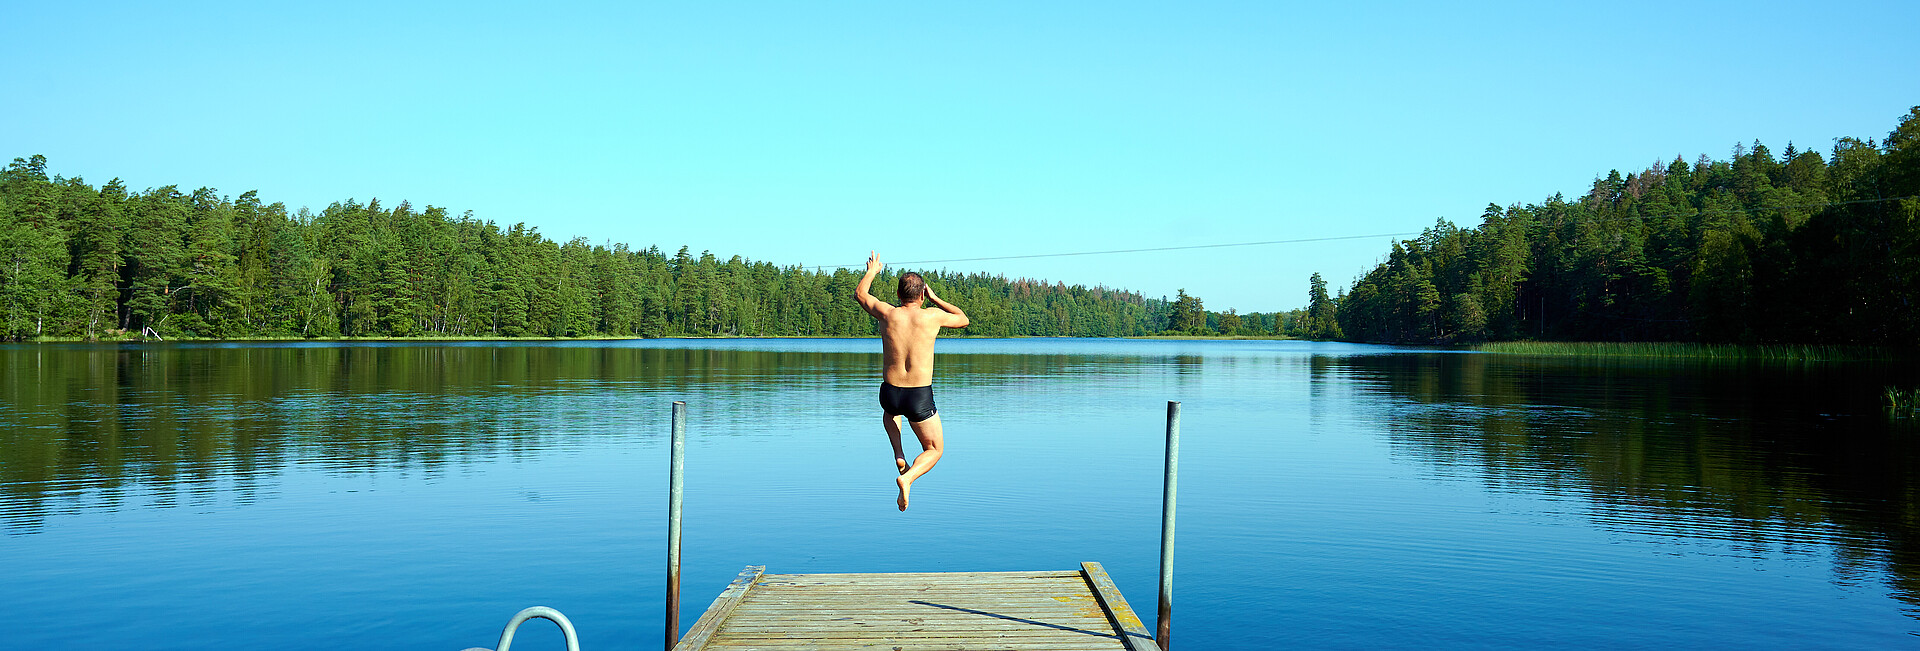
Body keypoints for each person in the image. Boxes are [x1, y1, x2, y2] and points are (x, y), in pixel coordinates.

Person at [856, 251, 969, 511]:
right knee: (934, 449)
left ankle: (899, 453)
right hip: (918, 396)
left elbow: (861, 295)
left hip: (890, 392)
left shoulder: (887, 314)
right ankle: (907, 476)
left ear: (898, 295)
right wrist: (934, 297)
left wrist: (872, 271)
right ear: (921, 295)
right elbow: (963, 319)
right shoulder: (932, 316)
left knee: (890, 413)